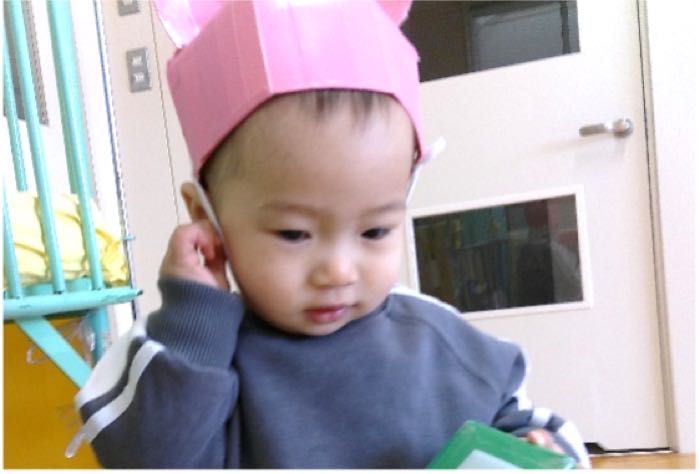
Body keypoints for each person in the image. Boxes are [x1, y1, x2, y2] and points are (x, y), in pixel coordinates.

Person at [70, 0, 590, 468]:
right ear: (206, 217)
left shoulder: (443, 344)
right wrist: (196, 320)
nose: (339, 272)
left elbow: (535, 430)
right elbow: (145, 458)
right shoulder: (185, 352)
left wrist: (536, 451)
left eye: (375, 230)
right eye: (295, 234)